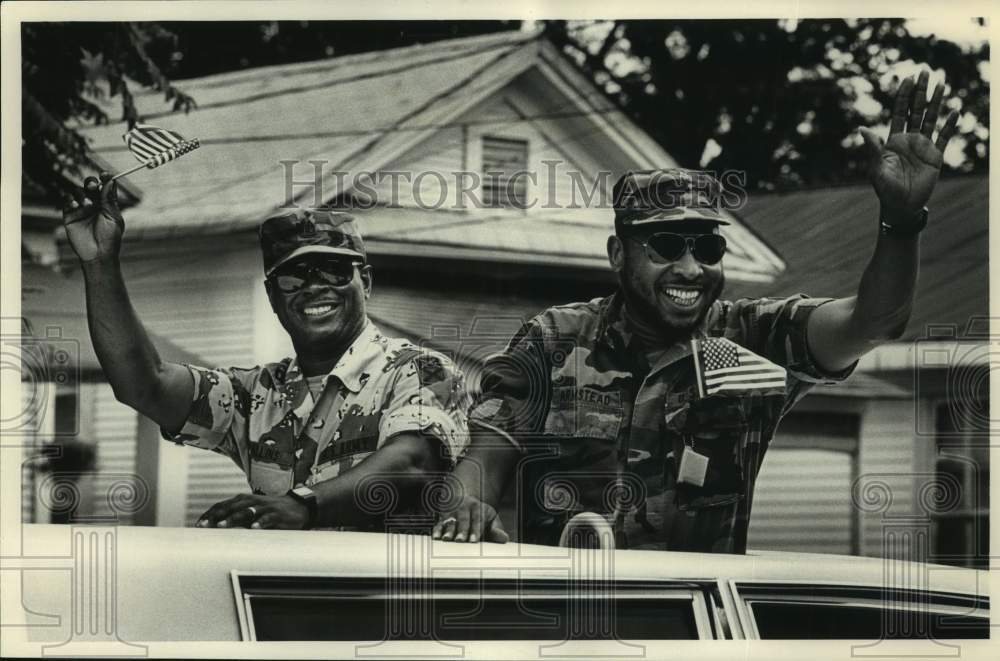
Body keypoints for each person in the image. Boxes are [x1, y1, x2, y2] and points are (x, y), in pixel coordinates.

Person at [432, 71, 959, 552]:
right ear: (618, 255)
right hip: (571, 618)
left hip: (694, 619)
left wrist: (901, 219)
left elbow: (876, 322)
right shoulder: (553, 340)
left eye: (706, 249)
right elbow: (486, 457)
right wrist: (466, 501)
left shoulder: (751, 339)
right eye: (665, 245)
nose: (690, 268)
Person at [64, 188, 470, 530]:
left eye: (332, 270)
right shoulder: (255, 393)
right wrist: (100, 263)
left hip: (389, 608)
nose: (314, 288)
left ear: (364, 281)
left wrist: (302, 505)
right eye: (293, 277)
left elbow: (413, 463)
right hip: (281, 605)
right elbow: (144, 384)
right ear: (274, 298)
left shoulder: (416, 370)